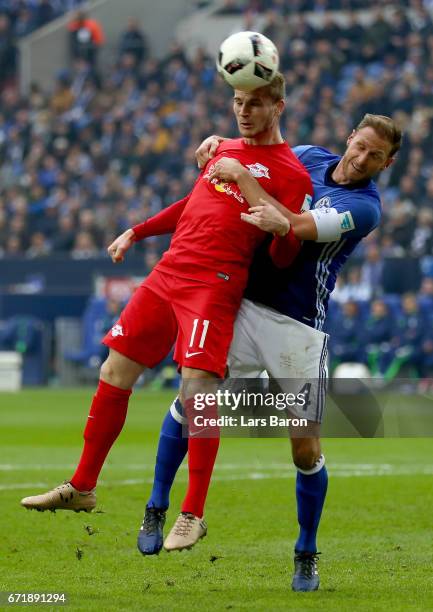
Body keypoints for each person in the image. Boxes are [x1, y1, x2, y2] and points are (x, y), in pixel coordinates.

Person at [20, 72, 313, 554]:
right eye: (238, 102)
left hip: (214, 284)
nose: (243, 112)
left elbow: (284, 251)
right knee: (113, 369)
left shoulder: (291, 173)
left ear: (278, 107)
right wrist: (137, 231)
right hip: (168, 272)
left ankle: (192, 513)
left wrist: (273, 217)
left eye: (255, 104)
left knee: (197, 389)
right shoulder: (223, 150)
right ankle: (83, 487)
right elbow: (193, 203)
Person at [127, 113, 401, 592]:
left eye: (374, 156)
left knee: (304, 446)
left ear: (387, 162)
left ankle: (306, 550)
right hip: (242, 303)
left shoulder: (365, 207)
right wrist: (227, 147)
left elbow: (292, 226)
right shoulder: (310, 157)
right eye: (360, 146)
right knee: (195, 397)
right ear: (349, 137)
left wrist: (244, 179)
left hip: (297, 326)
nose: (361, 159)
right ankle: (156, 507)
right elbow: (260, 161)